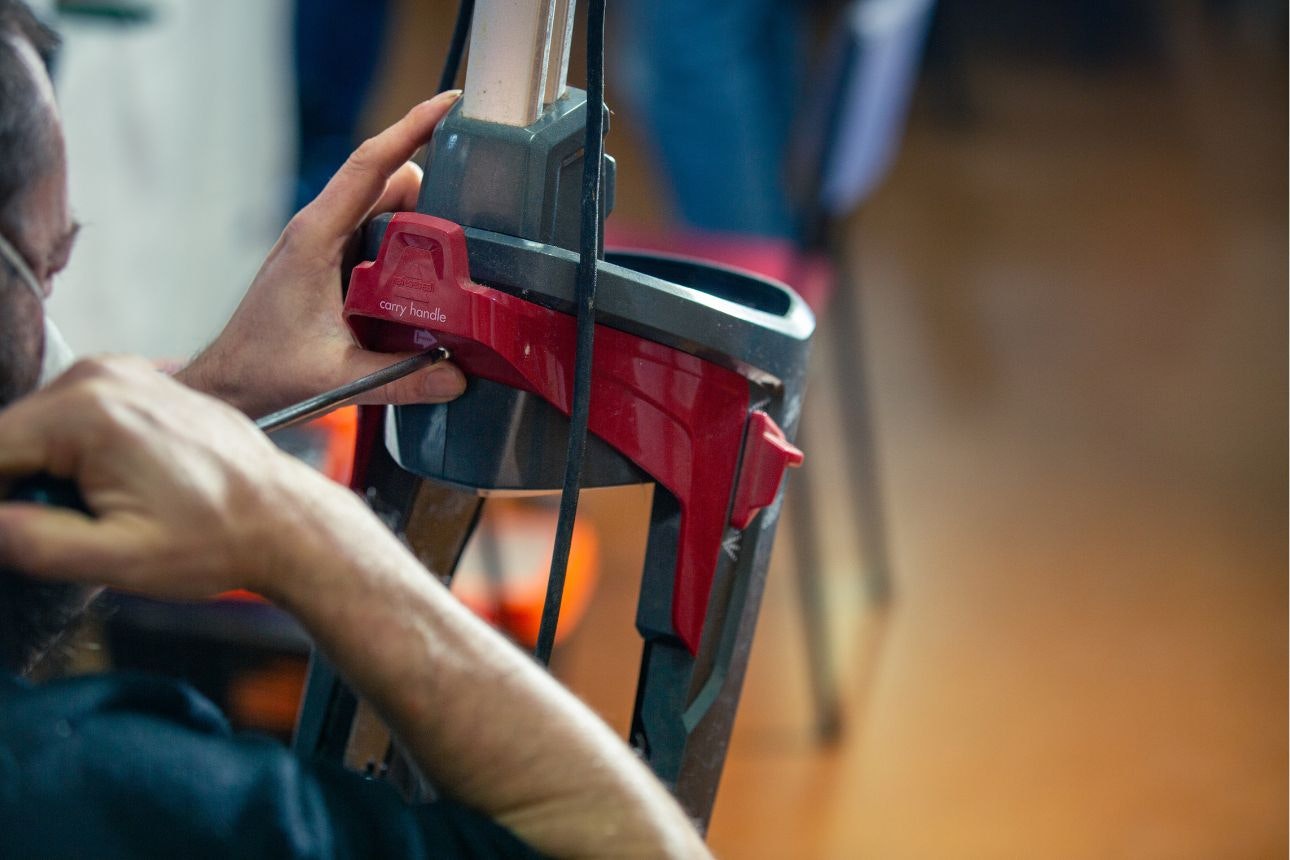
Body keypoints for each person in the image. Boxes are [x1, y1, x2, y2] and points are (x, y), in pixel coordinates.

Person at [0, 3, 711, 858]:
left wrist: (213, 393)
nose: (73, 363)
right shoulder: (99, 794)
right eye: (44, 275)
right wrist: (304, 534)